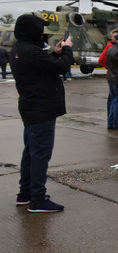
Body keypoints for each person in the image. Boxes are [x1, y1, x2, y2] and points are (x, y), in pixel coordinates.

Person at [10, 14, 74, 212]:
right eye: (40, 29)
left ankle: (25, 193)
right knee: (40, 154)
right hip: (42, 108)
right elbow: (63, 68)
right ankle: (38, 199)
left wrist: (55, 53)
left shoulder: (20, 49)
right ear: (32, 31)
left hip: (31, 107)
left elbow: (45, 68)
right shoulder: (33, 51)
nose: (43, 33)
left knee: (30, 151)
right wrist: (67, 49)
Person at [99, 28, 118, 124]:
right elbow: (101, 60)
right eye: (115, 37)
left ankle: (114, 118)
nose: (116, 39)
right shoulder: (110, 47)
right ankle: (114, 120)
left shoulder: (117, 47)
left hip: (113, 75)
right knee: (116, 100)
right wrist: (111, 69)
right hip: (114, 77)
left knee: (113, 99)